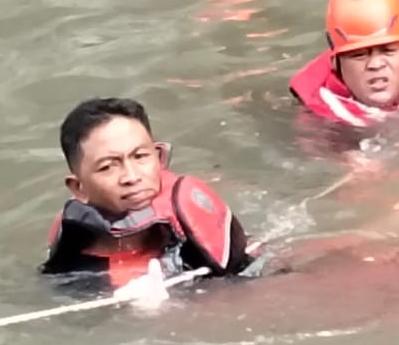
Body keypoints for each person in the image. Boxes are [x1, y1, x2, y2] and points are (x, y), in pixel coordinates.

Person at [41, 97, 253, 290]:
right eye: (108, 167)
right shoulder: (74, 271)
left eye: (140, 156)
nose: (132, 177)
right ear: (78, 188)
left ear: (159, 157)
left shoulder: (194, 227)